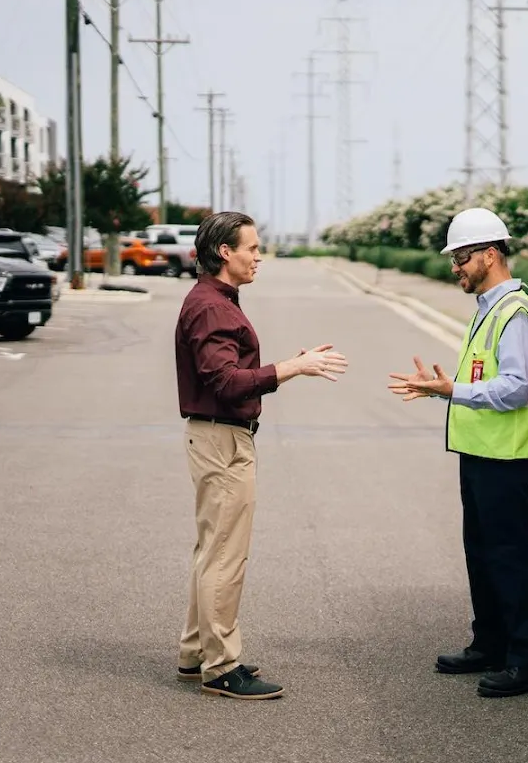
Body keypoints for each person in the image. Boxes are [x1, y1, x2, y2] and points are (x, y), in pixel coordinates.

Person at [175, 211, 349, 700]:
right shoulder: (212, 307)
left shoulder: (216, 300)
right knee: (226, 556)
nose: (259, 257)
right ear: (224, 252)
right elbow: (225, 382)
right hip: (222, 440)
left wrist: (291, 365)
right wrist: (294, 367)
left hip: (217, 436)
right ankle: (221, 667)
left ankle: (197, 654)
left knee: (212, 551)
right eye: (251, 248)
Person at [388, 207, 528, 699]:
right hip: (481, 454)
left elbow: (517, 389)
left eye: (461, 257)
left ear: (490, 254)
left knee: (511, 558)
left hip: (506, 458)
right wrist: (448, 390)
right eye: (453, 258)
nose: (454, 267)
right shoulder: (488, 310)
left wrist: (450, 390)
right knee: (481, 555)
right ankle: (491, 644)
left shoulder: (516, 314)